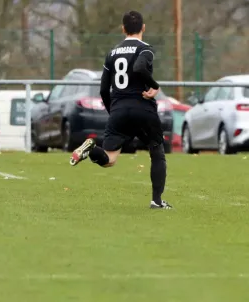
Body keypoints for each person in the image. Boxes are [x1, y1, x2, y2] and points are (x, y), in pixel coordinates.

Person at [69, 11, 172, 210]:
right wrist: (154, 86)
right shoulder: (146, 50)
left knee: (109, 159)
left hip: (118, 110)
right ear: (143, 28)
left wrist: (112, 110)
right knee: (156, 150)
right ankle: (156, 201)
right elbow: (140, 67)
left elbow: (102, 89)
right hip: (143, 109)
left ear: (122, 29)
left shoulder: (112, 54)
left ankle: (90, 148)